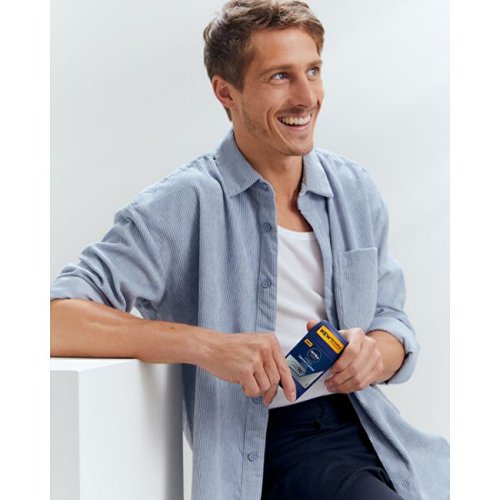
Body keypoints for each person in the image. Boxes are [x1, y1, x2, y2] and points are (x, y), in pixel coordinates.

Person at [50, 1, 449, 498]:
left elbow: (391, 317)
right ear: (226, 91)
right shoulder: (182, 203)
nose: (306, 97)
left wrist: (374, 354)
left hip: (380, 427)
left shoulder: (354, 188)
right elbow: (55, 319)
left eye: (313, 71)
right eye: (280, 76)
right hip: (278, 445)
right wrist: (208, 347)